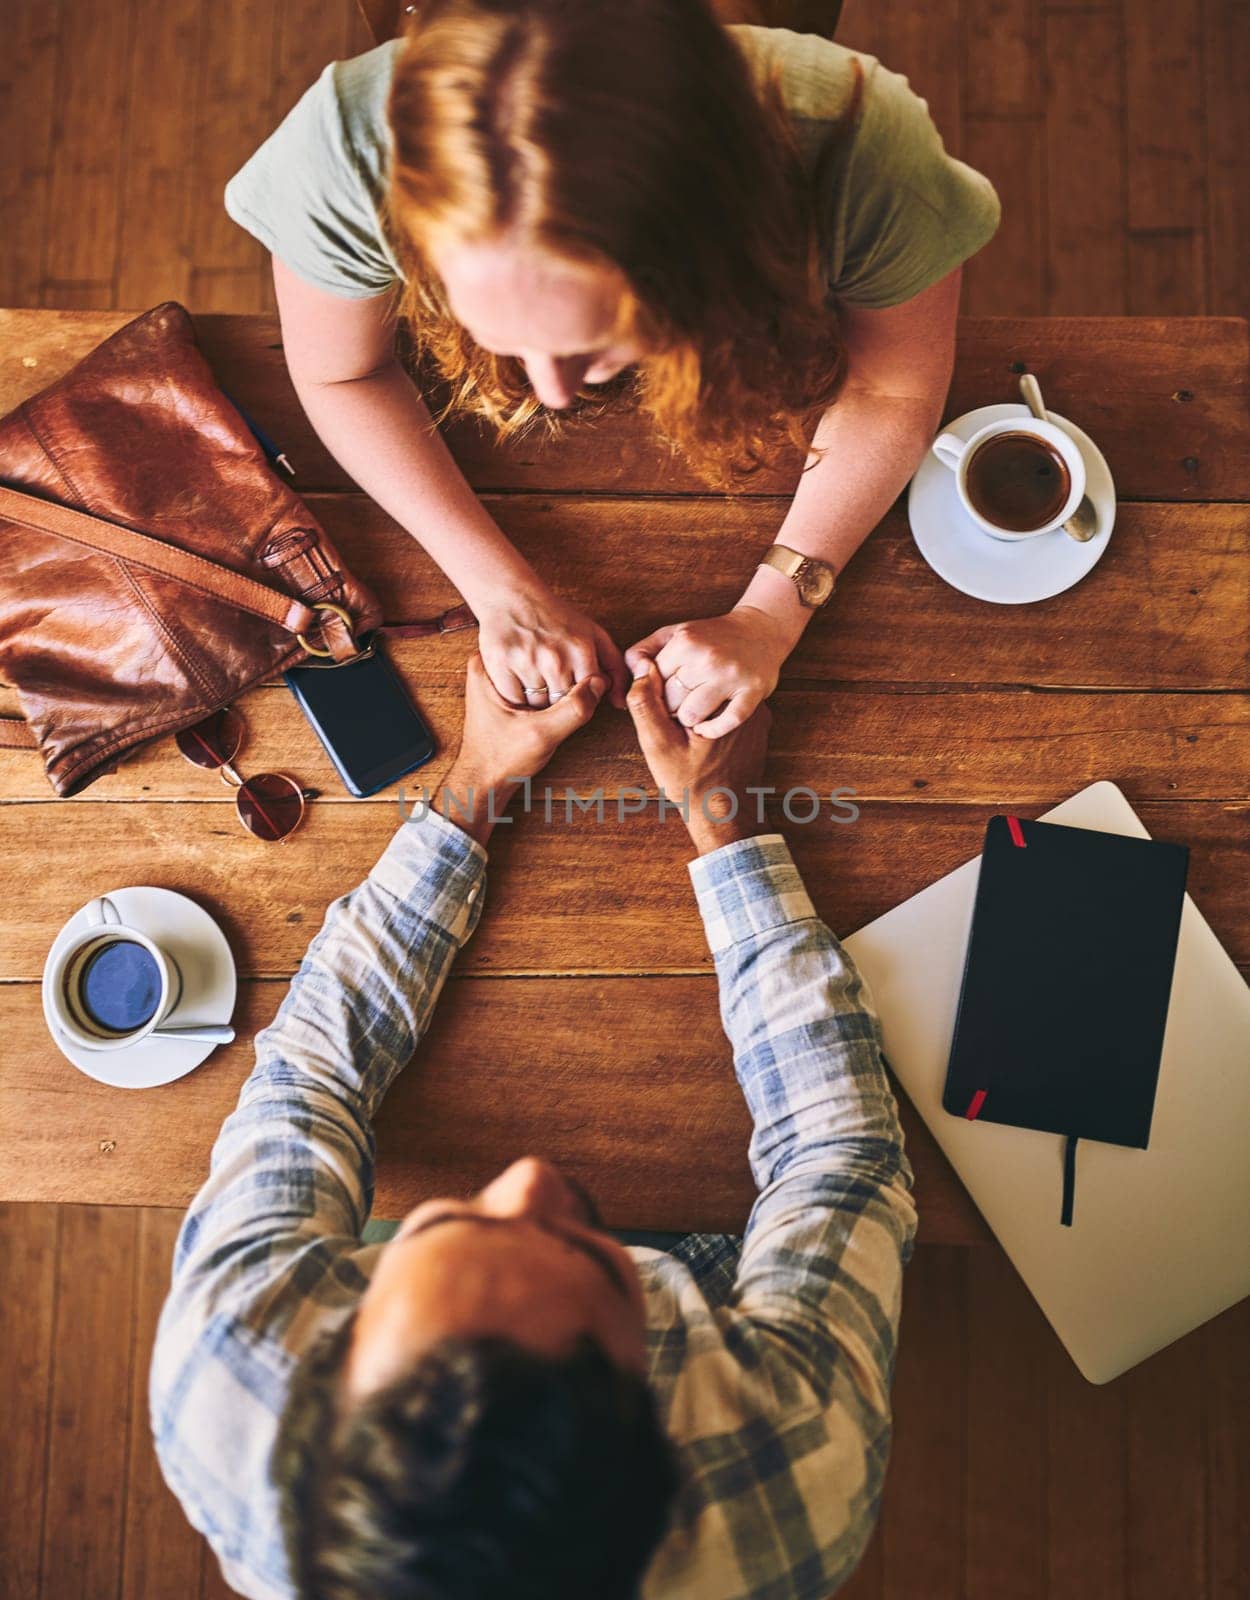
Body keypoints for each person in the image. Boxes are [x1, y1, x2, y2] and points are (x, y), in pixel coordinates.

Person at [150, 652, 918, 1600]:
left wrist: (479, 779)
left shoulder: (228, 1361)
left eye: (447, 1223)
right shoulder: (794, 1481)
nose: (530, 1176)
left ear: (329, 1349)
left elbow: (311, 1077)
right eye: (598, 1258)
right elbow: (839, 1157)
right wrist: (728, 821)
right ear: (665, 1429)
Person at [224, 0, 999, 734]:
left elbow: (892, 385)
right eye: (505, 331)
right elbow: (339, 373)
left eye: (599, 339)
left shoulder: (863, 155)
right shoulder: (345, 156)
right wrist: (502, 594)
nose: (552, 390)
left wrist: (773, 611)